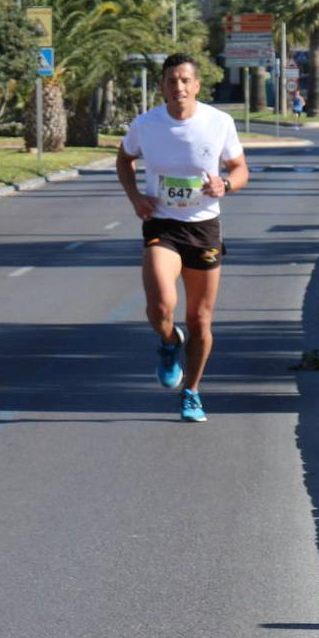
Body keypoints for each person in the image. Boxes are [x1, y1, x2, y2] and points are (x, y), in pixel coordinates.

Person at [116, 53, 249, 422]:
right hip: (162, 225)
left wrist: (227, 184)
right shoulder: (146, 124)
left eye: (185, 80)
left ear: (196, 85)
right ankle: (169, 342)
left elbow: (240, 169)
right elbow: (124, 158)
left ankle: (191, 392)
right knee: (160, 306)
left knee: (201, 321)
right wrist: (136, 197)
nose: (178, 87)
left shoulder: (218, 122)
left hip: (204, 227)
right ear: (162, 87)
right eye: (171, 81)